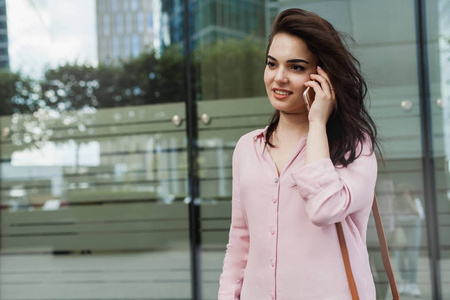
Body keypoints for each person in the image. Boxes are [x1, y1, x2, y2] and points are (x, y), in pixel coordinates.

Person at [218, 8, 380, 300]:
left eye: (295, 67)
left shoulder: (354, 147)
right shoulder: (247, 148)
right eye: (272, 64)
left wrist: (317, 123)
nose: (279, 78)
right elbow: (240, 240)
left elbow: (324, 209)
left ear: (322, 76)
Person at [393, 182, 424, 297]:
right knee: (400, 257)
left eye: (407, 192)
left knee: (412, 256)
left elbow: (420, 215)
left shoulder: (415, 201)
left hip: (413, 227)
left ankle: (413, 284)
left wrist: (409, 200)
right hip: (401, 228)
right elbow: (393, 216)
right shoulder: (396, 202)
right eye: (403, 193)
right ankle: (405, 282)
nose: (405, 195)